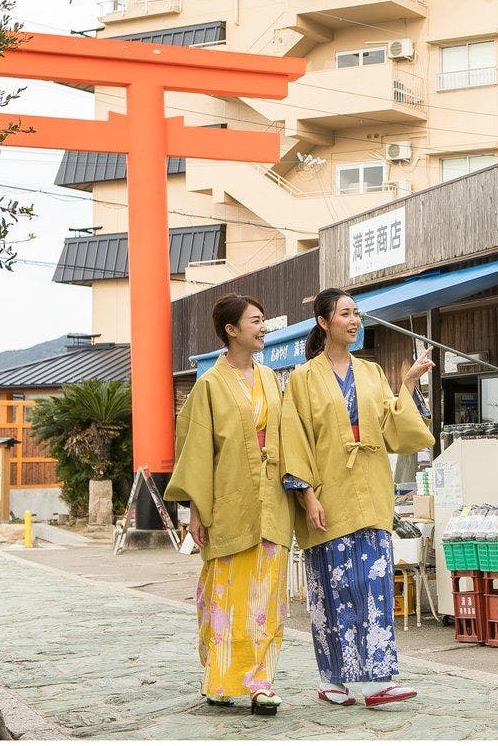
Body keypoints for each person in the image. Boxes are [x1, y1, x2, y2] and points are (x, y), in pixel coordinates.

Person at [280, 288, 435, 708]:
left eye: (357, 314)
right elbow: (295, 440)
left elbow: (392, 428)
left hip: (371, 488)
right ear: (324, 323)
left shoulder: (371, 372)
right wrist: (308, 497)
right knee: (334, 587)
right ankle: (334, 678)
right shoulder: (302, 378)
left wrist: (406, 384)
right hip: (329, 492)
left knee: (375, 584)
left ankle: (378, 678)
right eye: (345, 314)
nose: (354, 321)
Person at [164, 294, 293, 715]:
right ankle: (219, 678)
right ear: (231, 331)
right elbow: (196, 451)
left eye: (262, 320)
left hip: (271, 499)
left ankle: (261, 682)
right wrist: (196, 512)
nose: (263, 328)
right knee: (225, 595)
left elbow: (287, 437)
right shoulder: (208, 385)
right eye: (255, 321)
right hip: (228, 501)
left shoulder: (271, 378)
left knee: (267, 596)